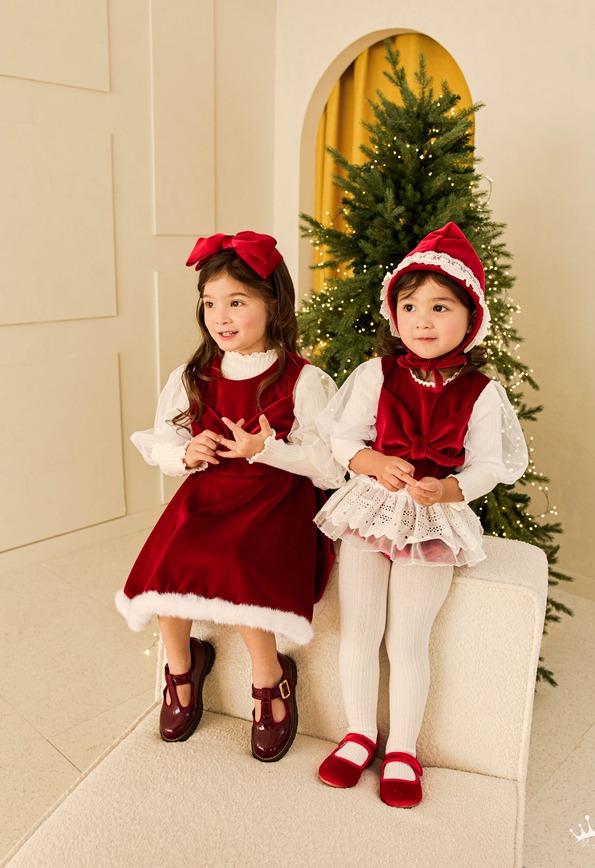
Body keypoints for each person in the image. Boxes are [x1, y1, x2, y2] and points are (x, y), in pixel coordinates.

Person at [314, 223, 529, 807]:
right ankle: (359, 733)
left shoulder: (482, 392)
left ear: (471, 317)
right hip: (371, 510)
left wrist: (452, 489)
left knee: (408, 639)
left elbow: (491, 464)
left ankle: (403, 748)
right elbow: (342, 437)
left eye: (440, 307)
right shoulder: (375, 374)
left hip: (430, 520)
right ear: (394, 313)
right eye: (409, 306)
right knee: (360, 628)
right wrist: (371, 461)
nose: (422, 320)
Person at [116, 230, 344, 763]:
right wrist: (187, 451)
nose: (221, 316)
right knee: (169, 559)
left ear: (273, 304)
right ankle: (181, 667)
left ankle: (270, 677)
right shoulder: (192, 375)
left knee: (238, 559)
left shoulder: (304, 380)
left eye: (237, 302)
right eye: (210, 303)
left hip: (275, 497)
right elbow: (163, 440)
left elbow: (330, 466)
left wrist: (268, 449)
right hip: (211, 490)